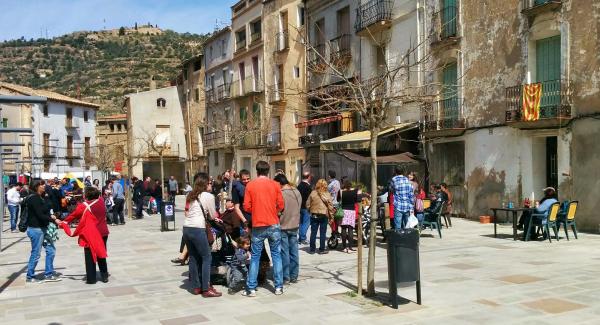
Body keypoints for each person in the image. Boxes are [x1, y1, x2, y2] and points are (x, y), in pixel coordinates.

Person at [242, 161, 285, 297]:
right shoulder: (275, 185)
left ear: (256, 171)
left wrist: (256, 210)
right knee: (276, 255)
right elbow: (281, 205)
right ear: (268, 171)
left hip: (258, 224)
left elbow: (246, 206)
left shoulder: (250, 185)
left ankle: (251, 288)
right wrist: (274, 211)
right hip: (273, 223)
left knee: (255, 257)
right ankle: (278, 287)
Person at [182, 173, 222, 297]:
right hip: (198, 228)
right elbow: (213, 215)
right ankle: (206, 288)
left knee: (193, 257)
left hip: (187, 228)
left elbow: (186, 211)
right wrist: (218, 217)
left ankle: (196, 286)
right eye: (210, 182)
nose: (211, 184)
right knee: (206, 257)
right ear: (205, 184)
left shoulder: (190, 195)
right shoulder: (208, 196)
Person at [62, 187, 109, 284]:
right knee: (101, 253)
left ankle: (91, 279)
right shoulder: (101, 202)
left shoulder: (84, 206)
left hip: (91, 234)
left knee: (90, 256)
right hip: (103, 232)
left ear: (86, 195)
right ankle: (104, 276)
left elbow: (74, 215)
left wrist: (63, 222)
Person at [25, 181, 62, 283]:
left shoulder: (42, 197)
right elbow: (40, 214)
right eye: (42, 185)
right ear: (37, 186)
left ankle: (48, 274)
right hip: (36, 229)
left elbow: (49, 208)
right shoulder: (33, 198)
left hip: (44, 228)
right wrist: (54, 219)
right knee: (36, 253)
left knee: (51, 250)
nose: (44, 186)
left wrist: (52, 214)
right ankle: (30, 276)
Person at [274, 174, 301, 284]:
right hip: (295, 224)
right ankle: (294, 275)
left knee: (284, 252)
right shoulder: (297, 192)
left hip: (283, 225)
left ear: (279, 183)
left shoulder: (281, 193)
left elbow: (278, 209)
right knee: (294, 251)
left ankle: (286, 276)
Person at [306, 179, 334, 255]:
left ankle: (312, 249)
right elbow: (331, 206)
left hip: (314, 214)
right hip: (323, 214)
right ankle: (321, 249)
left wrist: (310, 211)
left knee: (313, 232)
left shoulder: (313, 193)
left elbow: (307, 204)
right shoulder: (327, 194)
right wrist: (331, 216)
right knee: (323, 233)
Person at [338, 179, 361, 253]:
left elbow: (338, 200)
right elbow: (358, 200)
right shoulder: (354, 191)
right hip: (351, 211)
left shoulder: (341, 191)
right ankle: (350, 247)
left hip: (343, 211)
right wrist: (358, 192)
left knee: (343, 229)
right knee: (350, 229)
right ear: (351, 185)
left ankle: (344, 247)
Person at [231, 169, 250, 233]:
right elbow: (236, 207)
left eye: (248, 178)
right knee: (245, 241)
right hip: (244, 219)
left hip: (253, 219)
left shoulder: (251, 186)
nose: (246, 181)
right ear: (240, 179)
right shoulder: (236, 188)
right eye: (244, 179)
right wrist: (245, 221)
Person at [296, 172, 312, 245]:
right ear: (308, 177)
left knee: (301, 223)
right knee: (306, 223)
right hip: (306, 207)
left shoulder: (299, 185)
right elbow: (310, 198)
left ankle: (300, 238)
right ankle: (302, 238)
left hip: (299, 207)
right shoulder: (308, 187)